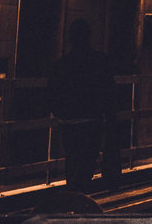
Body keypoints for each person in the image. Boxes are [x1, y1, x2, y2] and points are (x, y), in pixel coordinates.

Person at [50, 20, 120, 195]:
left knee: (72, 159)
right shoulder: (100, 61)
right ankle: (78, 196)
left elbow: (52, 93)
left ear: (71, 39)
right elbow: (109, 93)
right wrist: (110, 119)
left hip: (69, 123)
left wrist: (61, 113)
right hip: (92, 121)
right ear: (89, 37)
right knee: (87, 161)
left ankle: (72, 196)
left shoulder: (62, 64)